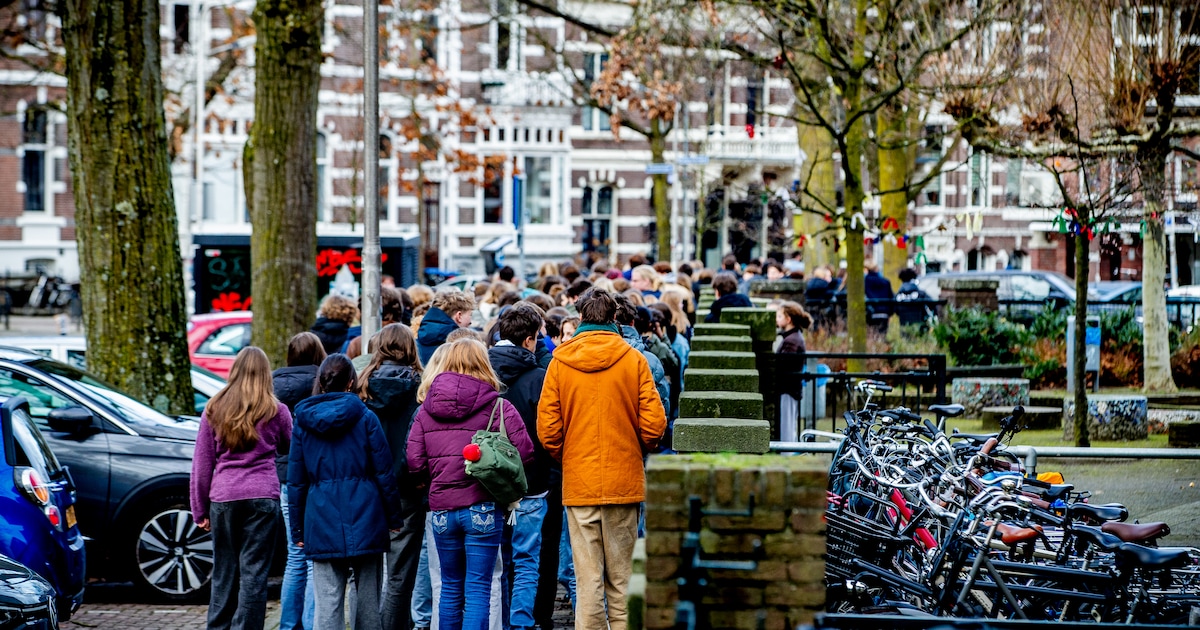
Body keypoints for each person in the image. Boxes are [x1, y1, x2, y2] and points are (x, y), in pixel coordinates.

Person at [537, 288, 667, 630]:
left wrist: (570, 454)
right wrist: (634, 447)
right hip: (623, 479)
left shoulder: (559, 362)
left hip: (580, 481)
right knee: (622, 580)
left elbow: (548, 430)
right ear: (614, 319)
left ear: (580, 318)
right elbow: (654, 425)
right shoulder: (634, 359)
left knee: (587, 579)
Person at [407, 339, 535, 630]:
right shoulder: (498, 406)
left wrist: (436, 479)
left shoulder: (426, 409)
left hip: (440, 510)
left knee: (450, 586)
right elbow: (525, 453)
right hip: (483, 507)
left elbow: (414, 463)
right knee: (478, 587)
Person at [289, 354, 403, 630]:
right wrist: (394, 518)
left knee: (327, 599)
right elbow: (383, 472)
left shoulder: (303, 421)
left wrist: (297, 529)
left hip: (321, 515)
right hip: (366, 513)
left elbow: (296, 480)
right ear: (351, 382)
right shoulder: (366, 417)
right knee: (367, 598)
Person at [191, 347, 291, 630]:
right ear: (265, 374)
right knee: (254, 574)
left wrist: (199, 509)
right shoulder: (276, 410)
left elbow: (202, 464)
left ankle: (218, 626)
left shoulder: (214, 409)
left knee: (224, 571)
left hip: (224, 497)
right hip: (262, 496)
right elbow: (290, 446)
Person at [487, 304, 555, 630]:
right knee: (527, 559)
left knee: (492, 561)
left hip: (487, 480)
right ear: (530, 340)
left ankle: (497, 621)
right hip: (531, 482)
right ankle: (521, 623)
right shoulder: (539, 379)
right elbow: (549, 433)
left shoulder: (480, 372)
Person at [358, 325, 425, 630]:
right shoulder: (421, 388)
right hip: (407, 487)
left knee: (367, 571)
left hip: (368, 486)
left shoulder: (361, 387)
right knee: (400, 571)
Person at [272, 333, 326, 630]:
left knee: (295, 554)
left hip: (284, 476)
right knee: (312, 557)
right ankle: (311, 620)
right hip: (315, 475)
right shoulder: (321, 383)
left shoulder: (273, 385)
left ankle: (288, 623)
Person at [775, 301, 813, 442]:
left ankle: (788, 456)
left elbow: (783, 364)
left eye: (779, 316)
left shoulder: (792, 340)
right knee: (788, 425)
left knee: (787, 427)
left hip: (788, 388)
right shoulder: (793, 337)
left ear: (788, 319)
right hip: (790, 388)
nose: (776, 320)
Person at [417, 290, 475, 365]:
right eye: (470, 314)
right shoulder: (459, 349)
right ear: (459, 316)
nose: (471, 321)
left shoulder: (413, 344)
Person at [864, 260, 895, 330]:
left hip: (870, 312)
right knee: (882, 335)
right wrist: (890, 313)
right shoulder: (886, 282)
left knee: (871, 336)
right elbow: (891, 298)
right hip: (884, 312)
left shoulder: (865, 282)